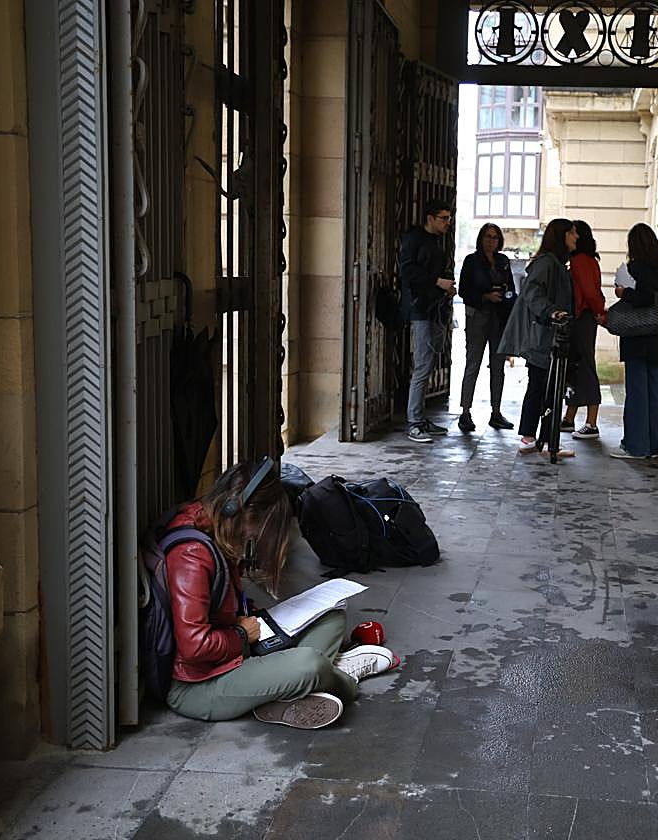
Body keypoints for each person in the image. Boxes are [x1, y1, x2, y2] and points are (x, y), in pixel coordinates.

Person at [163, 459, 400, 728]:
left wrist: (252, 621)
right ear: (245, 512)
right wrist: (242, 634)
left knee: (331, 616)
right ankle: (342, 678)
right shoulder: (192, 555)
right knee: (310, 664)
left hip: (236, 652)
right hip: (202, 685)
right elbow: (194, 648)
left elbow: (222, 604)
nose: (255, 538)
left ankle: (291, 689)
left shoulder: (216, 525)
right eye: (260, 528)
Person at [498, 218, 578, 458]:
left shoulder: (555, 263)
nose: (577, 237)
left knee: (549, 388)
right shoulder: (546, 263)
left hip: (549, 337)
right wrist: (551, 311)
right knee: (540, 387)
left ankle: (544, 439)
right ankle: (531, 438)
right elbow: (533, 292)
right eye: (573, 233)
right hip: (543, 338)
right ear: (562, 236)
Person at [610, 223, 658, 460]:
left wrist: (622, 293)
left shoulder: (636, 268)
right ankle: (655, 446)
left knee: (636, 393)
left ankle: (636, 446)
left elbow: (643, 298)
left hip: (638, 336)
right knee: (652, 392)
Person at [399, 198, 457, 444]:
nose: (447, 223)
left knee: (428, 364)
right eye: (443, 218)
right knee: (422, 365)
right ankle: (414, 421)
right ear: (430, 218)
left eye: (449, 218)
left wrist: (446, 286)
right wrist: (437, 282)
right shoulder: (414, 239)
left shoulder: (435, 241)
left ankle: (420, 417)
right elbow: (408, 271)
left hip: (434, 308)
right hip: (420, 309)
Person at [457, 223, 516, 433]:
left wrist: (507, 300)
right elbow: (463, 290)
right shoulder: (472, 261)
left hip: (498, 318)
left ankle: (496, 412)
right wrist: (485, 296)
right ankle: (465, 412)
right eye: (488, 237)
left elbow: (511, 288)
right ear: (481, 239)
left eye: (495, 237)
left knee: (498, 366)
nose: (491, 241)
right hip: (478, 317)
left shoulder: (503, 261)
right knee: (473, 363)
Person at [561, 219, 605, 440]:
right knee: (577, 367)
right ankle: (570, 418)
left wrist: (600, 313)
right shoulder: (585, 260)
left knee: (584, 366)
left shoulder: (580, 261)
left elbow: (589, 292)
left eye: (574, 232)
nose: (572, 236)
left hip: (582, 318)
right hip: (583, 317)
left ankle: (592, 422)